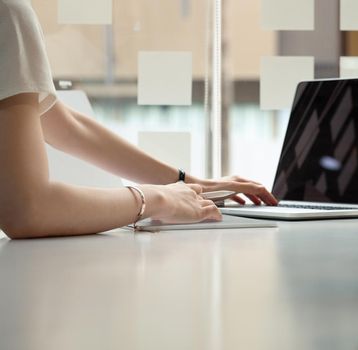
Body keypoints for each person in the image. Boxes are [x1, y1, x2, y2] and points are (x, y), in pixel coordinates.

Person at [0, 0, 278, 239]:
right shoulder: (9, 10)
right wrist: (156, 199)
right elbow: (27, 209)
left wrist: (189, 183)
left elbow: (63, 123)